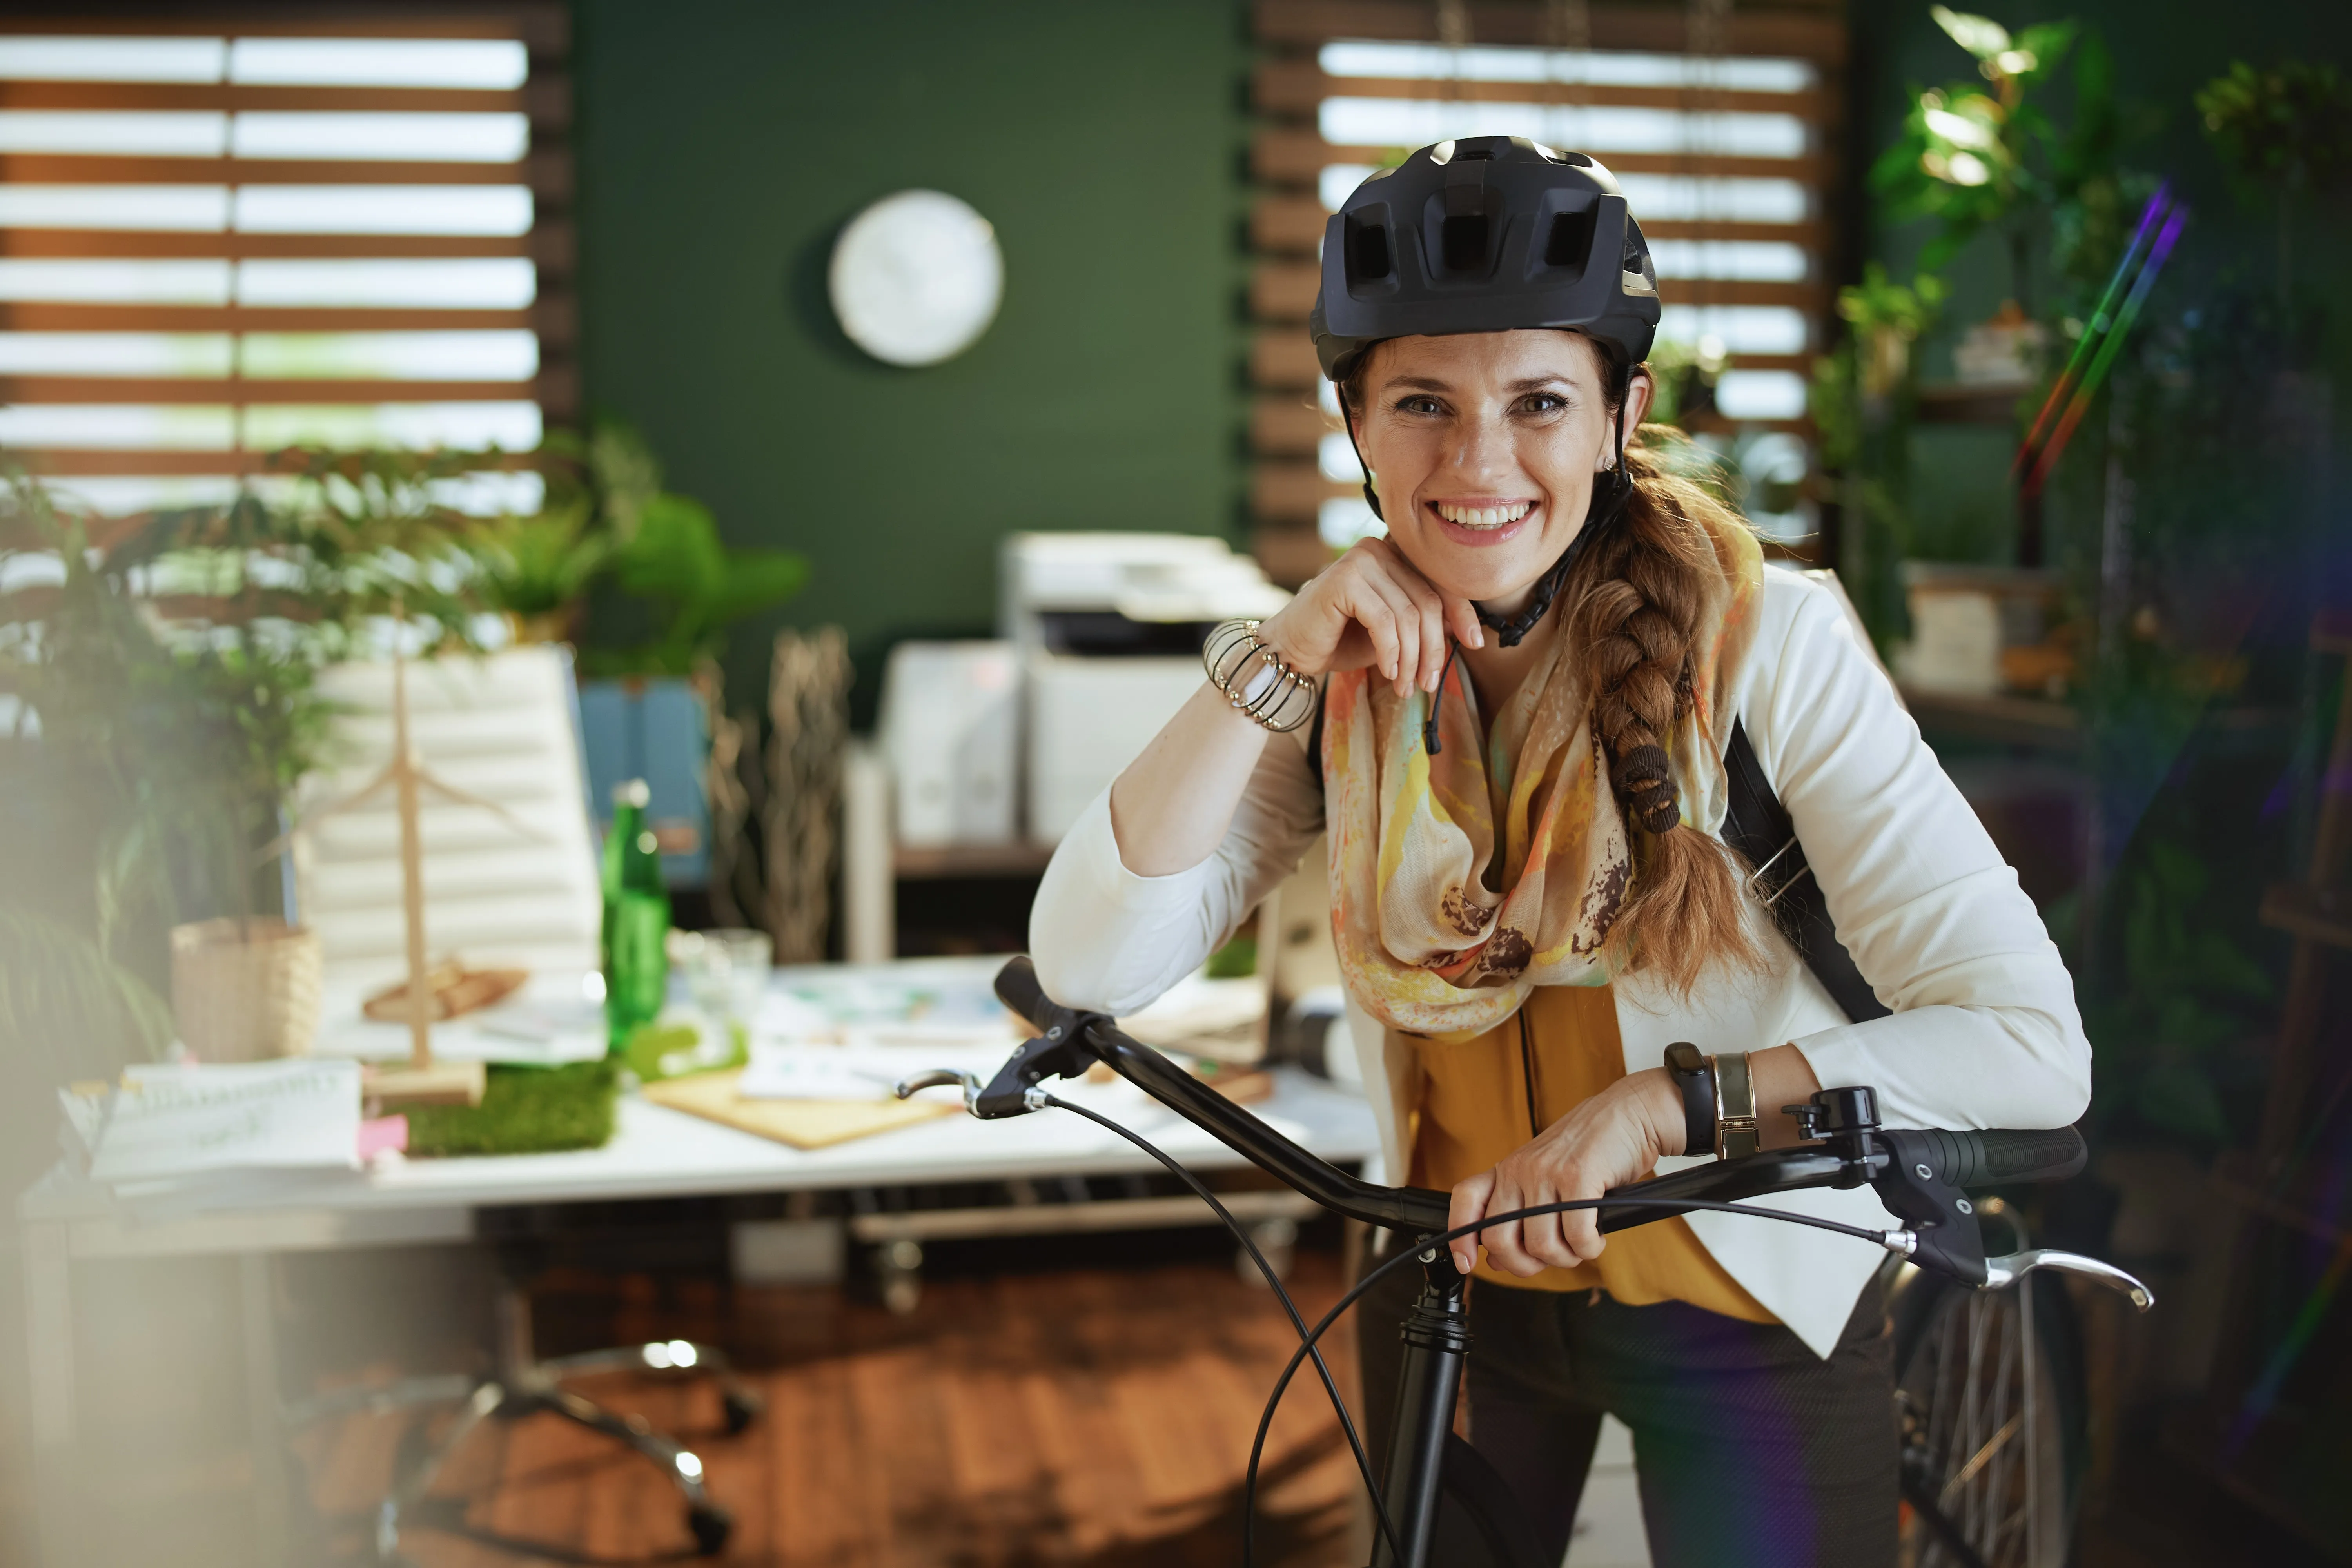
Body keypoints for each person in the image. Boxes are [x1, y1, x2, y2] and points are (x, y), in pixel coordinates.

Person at [1029, 138, 2089, 1567]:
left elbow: (2031, 1048)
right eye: (1422, 404)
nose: (1479, 464)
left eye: (1539, 402)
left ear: (1617, 416)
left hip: (1749, 1303)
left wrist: (1668, 1109)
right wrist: (1271, 661)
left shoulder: (1770, 644)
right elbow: (1087, 964)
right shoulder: (1343, 676)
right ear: (1354, 424)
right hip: (1456, 1283)